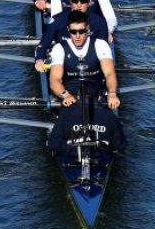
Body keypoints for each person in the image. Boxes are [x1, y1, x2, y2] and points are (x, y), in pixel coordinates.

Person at [47, 10, 125, 154]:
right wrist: (65, 95)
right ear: (68, 30)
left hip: (96, 98)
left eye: (81, 31)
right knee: (57, 140)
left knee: (116, 133)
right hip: (71, 99)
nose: (77, 36)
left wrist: (112, 93)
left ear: (87, 29)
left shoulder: (100, 45)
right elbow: (54, 80)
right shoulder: (59, 48)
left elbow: (109, 74)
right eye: (73, 31)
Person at [34, 0, 111, 72]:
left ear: (89, 1)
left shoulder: (99, 22)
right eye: (75, 1)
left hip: (91, 67)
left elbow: (104, 50)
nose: (79, 4)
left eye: (83, 1)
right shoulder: (58, 20)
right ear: (70, 1)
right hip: (64, 65)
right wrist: (39, 60)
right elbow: (43, 45)